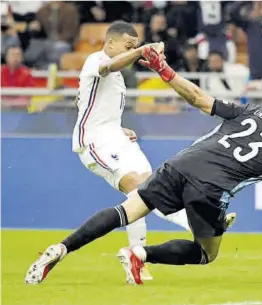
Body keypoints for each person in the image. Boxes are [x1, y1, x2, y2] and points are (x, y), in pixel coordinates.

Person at [25, 45, 262, 286]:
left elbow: (197, 97)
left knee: (126, 211)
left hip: (180, 164)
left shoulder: (248, 110)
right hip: (210, 190)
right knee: (205, 253)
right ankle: (140, 254)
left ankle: (61, 248)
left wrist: (165, 71)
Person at [25, 21, 200, 285]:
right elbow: (107, 68)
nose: (132, 50)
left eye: (134, 46)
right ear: (110, 43)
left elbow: (88, 103)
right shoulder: (97, 59)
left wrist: (119, 128)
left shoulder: (117, 77)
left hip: (116, 139)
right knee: (144, 190)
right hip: (95, 143)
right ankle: (196, 223)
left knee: (145, 193)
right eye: (129, 46)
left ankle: (136, 261)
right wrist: (143, 51)